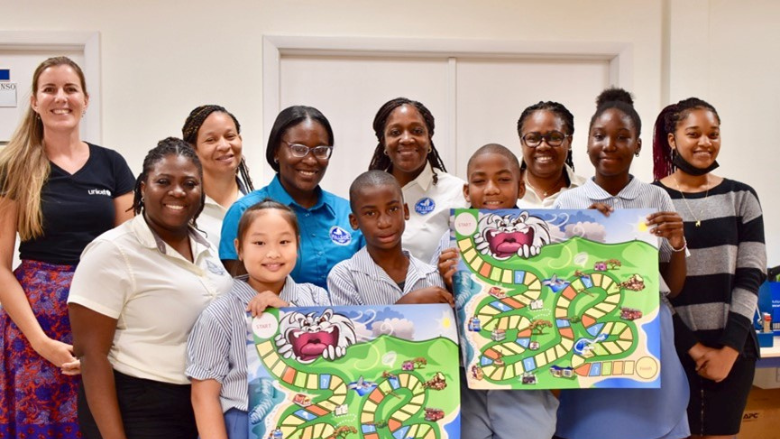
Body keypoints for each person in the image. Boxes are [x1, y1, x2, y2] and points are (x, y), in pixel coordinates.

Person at [0, 56, 134, 439]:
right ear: (34, 101)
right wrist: (40, 342)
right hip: (34, 323)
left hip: (102, 314)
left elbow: (130, 254)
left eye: (70, 89)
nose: (61, 98)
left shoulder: (112, 165)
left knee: (99, 422)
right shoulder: (14, 167)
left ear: (86, 100)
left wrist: (109, 331)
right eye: (50, 89)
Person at [68, 138, 233, 439]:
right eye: (163, 181)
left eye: (190, 183)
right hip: (140, 409)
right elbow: (91, 356)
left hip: (202, 405)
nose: (178, 192)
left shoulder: (206, 244)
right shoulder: (111, 252)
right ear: (143, 187)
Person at [553, 88, 690, 439]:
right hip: (584, 327)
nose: (609, 145)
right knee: (589, 424)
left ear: (639, 145)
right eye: (599, 136)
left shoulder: (656, 197)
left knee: (655, 422)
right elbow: (549, 276)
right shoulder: (568, 202)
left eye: (622, 137)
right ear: (586, 143)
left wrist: (677, 244)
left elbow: (673, 287)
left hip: (646, 327)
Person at [652, 98, 766, 439]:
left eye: (713, 134)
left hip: (733, 350)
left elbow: (751, 274)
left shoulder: (741, 196)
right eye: (694, 133)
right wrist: (693, 347)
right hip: (672, 348)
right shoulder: (653, 199)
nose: (705, 142)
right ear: (673, 140)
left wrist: (729, 349)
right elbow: (648, 282)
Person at [437, 144, 560, 439]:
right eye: (480, 181)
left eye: (503, 180)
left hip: (528, 391)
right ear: (467, 191)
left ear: (520, 187)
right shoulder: (450, 242)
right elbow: (441, 313)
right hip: (470, 393)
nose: (491, 189)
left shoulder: (550, 235)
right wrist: (447, 283)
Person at [187, 200, 330, 439]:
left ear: (298, 245)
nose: (272, 253)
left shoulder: (317, 297)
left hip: (309, 421)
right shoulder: (220, 312)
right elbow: (204, 395)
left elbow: (333, 360)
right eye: (259, 243)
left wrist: (286, 314)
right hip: (242, 423)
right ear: (239, 248)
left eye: (284, 242)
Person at [220, 106, 363, 288]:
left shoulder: (348, 212)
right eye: (298, 148)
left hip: (349, 316)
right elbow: (241, 294)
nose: (310, 160)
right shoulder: (243, 212)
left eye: (320, 150)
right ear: (275, 151)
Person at [328, 170, 452, 306]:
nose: (385, 222)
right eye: (370, 213)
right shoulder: (344, 277)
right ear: (354, 221)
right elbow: (351, 327)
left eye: (393, 209)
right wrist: (410, 302)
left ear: (405, 211)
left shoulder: (432, 276)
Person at [368, 97, 468, 263]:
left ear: (429, 139)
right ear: (383, 142)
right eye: (395, 132)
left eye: (417, 131)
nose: (406, 139)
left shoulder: (456, 191)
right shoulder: (368, 193)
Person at [182, 105, 254, 249]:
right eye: (211, 140)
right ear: (192, 150)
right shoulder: (183, 211)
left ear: (240, 139)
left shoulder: (259, 205)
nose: (224, 145)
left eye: (230, 136)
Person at [516, 101, 586, 208]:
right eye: (533, 138)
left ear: (569, 142)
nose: (543, 146)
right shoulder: (495, 190)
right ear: (522, 143)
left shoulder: (589, 194)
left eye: (554, 137)